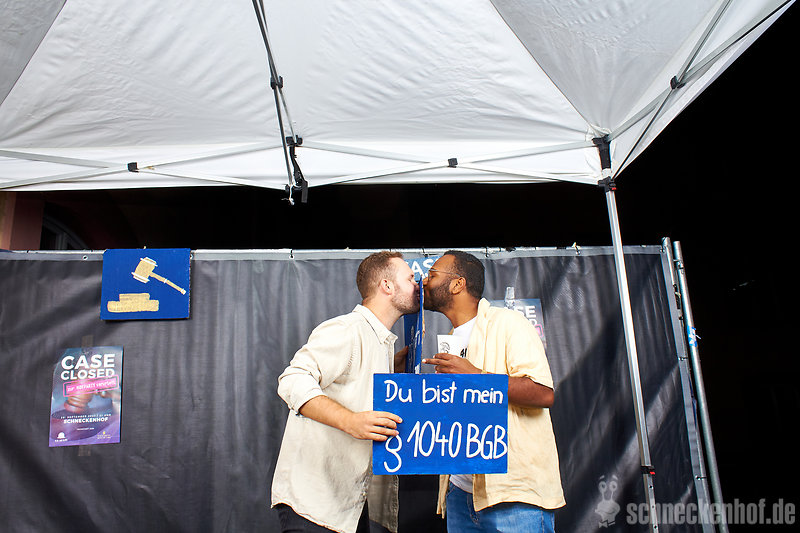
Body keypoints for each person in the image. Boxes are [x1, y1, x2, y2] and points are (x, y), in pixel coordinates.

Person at [271, 251, 419, 533]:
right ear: (387, 286)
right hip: (315, 504)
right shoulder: (347, 330)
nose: (417, 285)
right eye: (410, 278)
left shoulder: (381, 342)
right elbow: (293, 380)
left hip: (349, 506)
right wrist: (350, 421)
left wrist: (393, 369)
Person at [421, 250, 565, 532]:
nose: (424, 281)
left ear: (458, 284)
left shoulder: (509, 323)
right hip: (461, 494)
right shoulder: (451, 340)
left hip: (514, 497)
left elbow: (542, 393)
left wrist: (475, 376)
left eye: (432, 274)